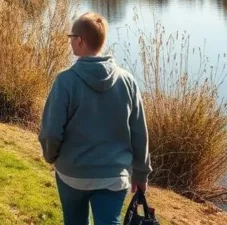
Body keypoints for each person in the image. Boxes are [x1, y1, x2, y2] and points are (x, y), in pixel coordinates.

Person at [38, 13, 152, 225]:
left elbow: (51, 132)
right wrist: (141, 174)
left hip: (72, 173)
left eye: (71, 36)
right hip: (114, 177)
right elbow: (139, 132)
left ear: (79, 40)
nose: (70, 40)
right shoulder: (127, 81)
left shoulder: (65, 81)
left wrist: (51, 156)